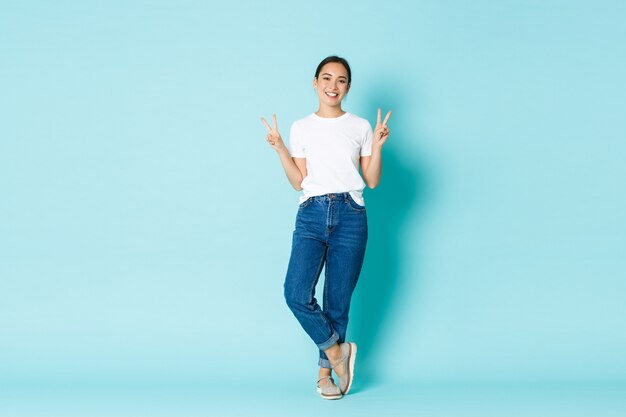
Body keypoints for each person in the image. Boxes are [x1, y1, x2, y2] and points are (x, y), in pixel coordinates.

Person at [261, 56, 391, 400]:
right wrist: (280, 150)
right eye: (327, 78)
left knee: (337, 302)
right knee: (296, 293)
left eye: (342, 80)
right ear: (315, 82)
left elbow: (373, 180)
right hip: (312, 212)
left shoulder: (360, 126)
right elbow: (298, 181)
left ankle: (324, 378)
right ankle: (337, 353)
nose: (334, 86)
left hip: (351, 213)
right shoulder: (301, 127)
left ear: (348, 87)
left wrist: (376, 146)